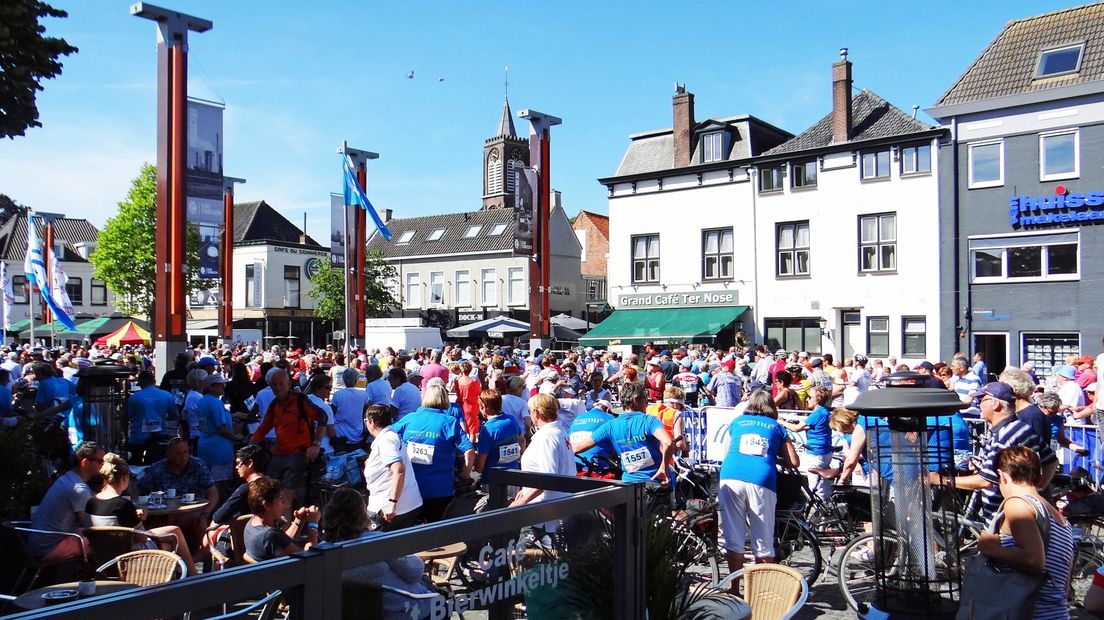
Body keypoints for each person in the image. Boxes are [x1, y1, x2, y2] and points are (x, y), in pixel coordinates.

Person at [930, 382, 1058, 523]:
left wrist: (940, 480)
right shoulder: (1019, 427)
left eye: (982, 400)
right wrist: (1037, 489)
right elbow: (1051, 460)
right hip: (1008, 513)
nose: (978, 404)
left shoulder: (1005, 435)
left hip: (1006, 519)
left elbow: (985, 481)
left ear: (995, 404)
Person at [976, 446, 1075, 620]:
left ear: (1003, 476)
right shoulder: (1059, 518)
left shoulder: (1017, 505)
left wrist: (989, 548)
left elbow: (1034, 560)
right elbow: (1065, 586)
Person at [718, 390, 799, 588]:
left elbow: (727, 451)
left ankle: (735, 589)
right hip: (761, 479)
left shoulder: (737, 422)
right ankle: (758, 591)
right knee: (763, 539)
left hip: (730, 475)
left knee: (734, 536)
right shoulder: (777, 427)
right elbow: (794, 461)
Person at [320, 486, 435, 619]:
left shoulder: (323, 550)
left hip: (348, 614)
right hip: (402, 611)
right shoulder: (377, 541)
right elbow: (414, 572)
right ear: (361, 515)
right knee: (440, 601)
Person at [87, 453, 197, 575]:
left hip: (103, 554)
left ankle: (186, 576)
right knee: (172, 538)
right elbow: (142, 538)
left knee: (173, 532)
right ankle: (193, 576)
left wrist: (134, 518)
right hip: (128, 555)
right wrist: (141, 520)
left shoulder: (91, 502)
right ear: (125, 477)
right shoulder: (122, 504)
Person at [391, 383, 475, 523]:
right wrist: (465, 475)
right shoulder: (449, 422)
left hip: (410, 488)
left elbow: (387, 436)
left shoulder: (409, 418)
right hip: (440, 490)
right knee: (435, 533)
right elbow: (470, 451)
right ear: (445, 399)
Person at [250, 369, 327, 514]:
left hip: (298, 455)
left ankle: (287, 534)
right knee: (270, 494)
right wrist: (247, 449)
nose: (277, 387)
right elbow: (262, 429)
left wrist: (316, 445)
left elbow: (322, 416)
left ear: (289, 384)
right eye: (274, 384)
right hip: (279, 454)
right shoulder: (274, 405)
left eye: (281, 384)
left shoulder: (300, 400)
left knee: (285, 499)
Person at [572, 382, 674, 486]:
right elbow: (668, 443)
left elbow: (576, 448)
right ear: (635, 399)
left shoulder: (610, 426)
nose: (647, 403)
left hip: (628, 485)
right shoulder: (649, 420)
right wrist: (663, 467)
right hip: (655, 482)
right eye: (645, 399)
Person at [509, 393, 576, 538]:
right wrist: (526, 490)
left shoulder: (547, 437)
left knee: (526, 556)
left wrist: (523, 500)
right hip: (556, 506)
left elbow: (547, 477)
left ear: (536, 413)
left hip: (543, 511)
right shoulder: (560, 431)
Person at [29, 440, 102, 561]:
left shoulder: (70, 478)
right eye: (100, 461)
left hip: (40, 542)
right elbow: (92, 526)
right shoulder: (78, 489)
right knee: (107, 542)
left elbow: (93, 497)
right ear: (85, 462)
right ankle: (99, 578)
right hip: (48, 548)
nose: (103, 465)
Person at [363, 404, 422, 530]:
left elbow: (399, 470)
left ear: (371, 422)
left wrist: (392, 503)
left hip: (387, 510)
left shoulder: (386, 440)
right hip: (408, 504)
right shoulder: (390, 436)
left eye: (366, 421)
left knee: (377, 547)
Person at [244, 476, 319, 561]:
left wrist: (299, 521)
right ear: (266, 505)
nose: (285, 502)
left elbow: (284, 544)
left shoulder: (251, 524)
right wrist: (313, 525)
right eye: (281, 499)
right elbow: (309, 557)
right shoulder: (269, 536)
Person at [780, 386, 833, 501]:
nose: (807, 399)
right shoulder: (824, 411)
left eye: (810, 397)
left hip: (816, 452)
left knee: (814, 486)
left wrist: (780, 421)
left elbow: (796, 428)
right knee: (823, 484)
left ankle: (817, 510)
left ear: (817, 399)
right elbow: (810, 425)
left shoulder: (817, 413)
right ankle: (828, 506)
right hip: (824, 452)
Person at [197, 374, 239, 490]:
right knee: (221, 487)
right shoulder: (215, 403)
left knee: (208, 485)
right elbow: (221, 428)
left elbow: (202, 426)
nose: (223, 387)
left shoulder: (202, 401)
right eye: (220, 385)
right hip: (219, 451)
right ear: (211, 387)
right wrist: (237, 439)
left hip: (205, 446)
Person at [127, 370, 177, 464]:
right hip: (159, 436)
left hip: (138, 437)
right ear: (154, 381)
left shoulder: (134, 397)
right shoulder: (167, 395)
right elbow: (174, 415)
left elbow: (127, 417)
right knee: (157, 465)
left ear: (141, 382)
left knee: (135, 466)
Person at [474, 389, 525, 480]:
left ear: (484, 407)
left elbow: (480, 466)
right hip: (514, 475)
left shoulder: (487, 429)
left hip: (493, 480)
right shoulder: (511, 420)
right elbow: (522, 441)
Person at [330, 368, 369, 452]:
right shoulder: (364, 395)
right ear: (356, 379)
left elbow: (331, 414)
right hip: (357, 434)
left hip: (340, 434)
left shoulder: (338, 395)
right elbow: (365, 413)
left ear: (343, 379)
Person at [454, 360, 482, 442]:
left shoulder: (457, 381)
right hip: (471, 407)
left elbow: (456, 392)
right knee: (472, 430)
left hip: (460, 406)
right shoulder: (474, 382)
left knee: (461, 427)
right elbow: (480, 393)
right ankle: (471, 448)